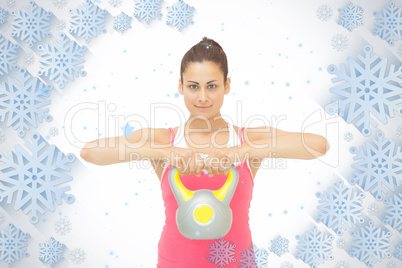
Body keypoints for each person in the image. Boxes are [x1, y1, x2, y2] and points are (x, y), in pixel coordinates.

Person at [80, 37, 330, 267]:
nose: (202, 97)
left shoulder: (247, 139)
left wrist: (241, 152)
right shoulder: (165, 139)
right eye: (193, 86)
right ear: (180, 86)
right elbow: (90, 152)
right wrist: (165, 153)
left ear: (226, 85)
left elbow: (319, 145)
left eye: (211, 86)